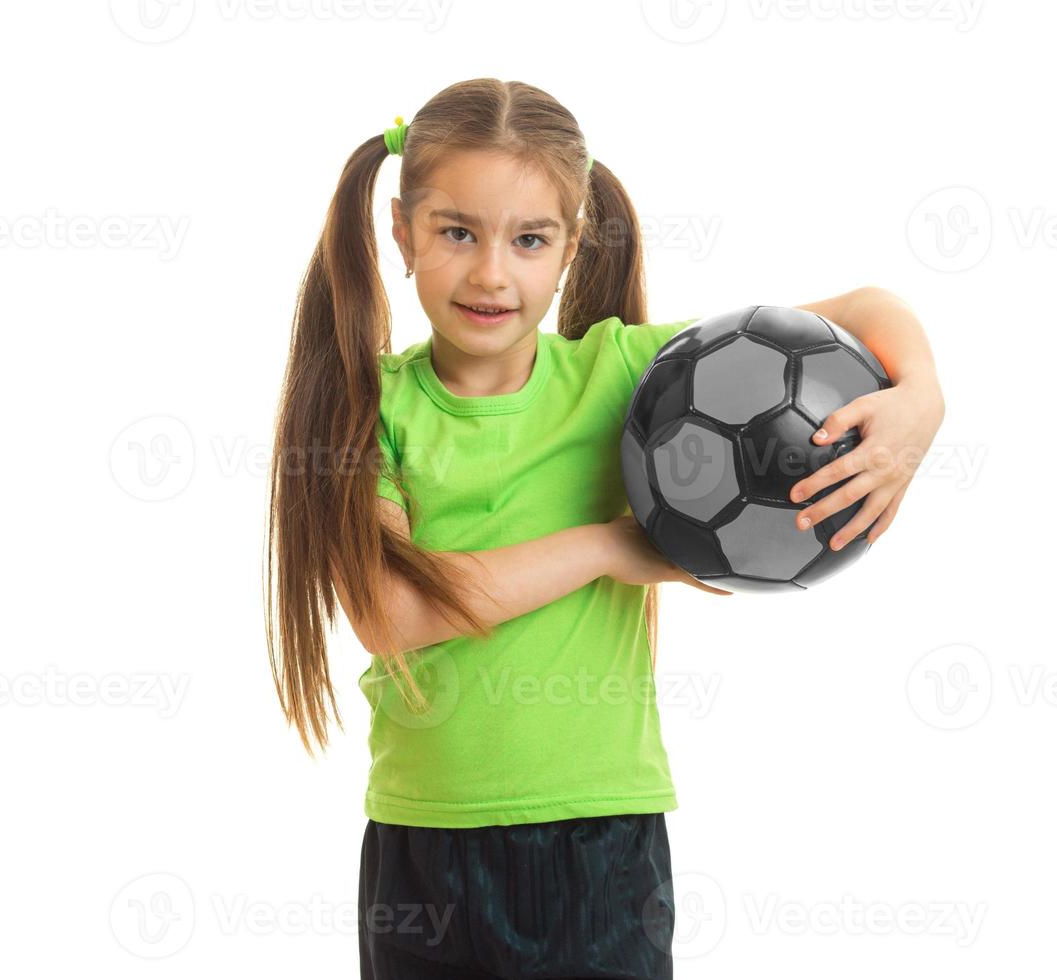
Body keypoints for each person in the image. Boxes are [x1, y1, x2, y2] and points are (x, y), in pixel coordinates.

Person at [263, 77, 946, 980]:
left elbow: (861, 309)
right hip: (426, 845)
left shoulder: (625, 372)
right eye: (456, 231)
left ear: (571, 247)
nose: (491, 273)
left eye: (530, 239)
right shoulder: (368, 406)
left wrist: (922, 397)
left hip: (603, 838)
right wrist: (609, 547)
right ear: (401, 232)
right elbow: (394, 614)